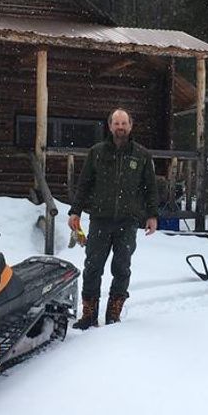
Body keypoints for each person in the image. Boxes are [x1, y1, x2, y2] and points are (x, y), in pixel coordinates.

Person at [68, 108, 158, 329]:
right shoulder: (96, 152)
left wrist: (152, 215)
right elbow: (84, 184)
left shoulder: (141, 155)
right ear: (109, 126)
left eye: (124, 123)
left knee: (122, 267)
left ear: (130, 126)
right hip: (100, 219)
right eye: (116, 123)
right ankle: (89, 314)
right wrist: (75, 211)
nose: (120, 127)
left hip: (128, 221)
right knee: (93, 266)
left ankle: (113, 314)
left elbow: (151, 189)